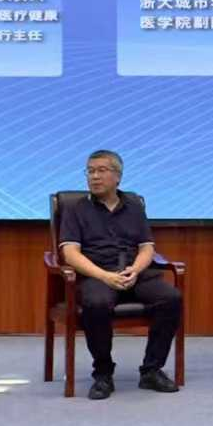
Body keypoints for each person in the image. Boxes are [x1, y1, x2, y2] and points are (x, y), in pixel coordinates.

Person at [58, 149, 182, 400]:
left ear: (118, 176)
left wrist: (135, 269)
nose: (94, 177)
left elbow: (147, 247)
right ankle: (103, 373)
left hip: (134, 273)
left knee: (171, 298)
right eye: (90, 171)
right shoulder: (76, 209)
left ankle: (151, 370)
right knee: (96, 303)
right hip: (96, 274)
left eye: (101, 171)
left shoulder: (134, 206)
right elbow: (69, 253)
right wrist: (104, 276)